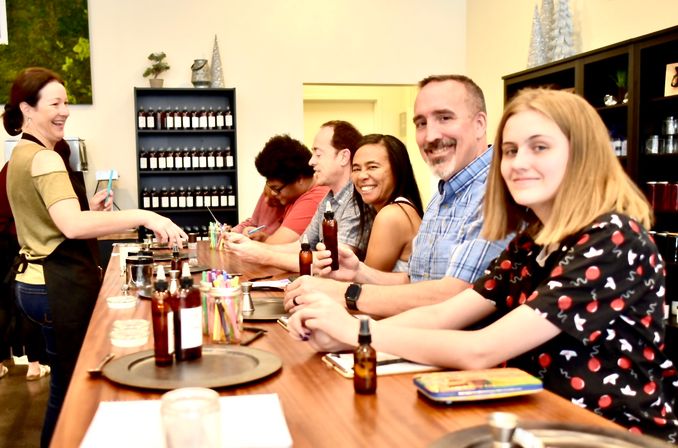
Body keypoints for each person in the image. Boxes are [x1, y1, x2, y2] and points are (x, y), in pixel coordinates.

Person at [286, 88, 678, 441]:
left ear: (583, 154)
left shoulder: (612, 238)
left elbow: (481, 349)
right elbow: (444, 314)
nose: (518, 163)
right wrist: (351, 335)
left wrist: (355, 332)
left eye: (539, 147)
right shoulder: (534, 240)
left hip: (608, 434)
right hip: (536, 422)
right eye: (509, 151)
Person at [2, 67, 187, 447]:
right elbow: (70, 226)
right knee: (72, 391)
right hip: (55, 284)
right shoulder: (46, 159)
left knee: (63, 386)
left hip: (32, 281)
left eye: (66, 102)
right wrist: (144, 215)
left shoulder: (19, 155)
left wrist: (92, 210)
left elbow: (49, 219)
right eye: (55, 103)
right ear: (27, 109)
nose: (65, 110)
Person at [284, 75, 509, 317]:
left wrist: (346, 294)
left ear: (480, 124)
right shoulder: (444, 193)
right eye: (421, 123)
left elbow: (455, 295)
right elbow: (415, 281)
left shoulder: (497, 190)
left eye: (445, 118)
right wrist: (359, 272)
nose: (430, 135)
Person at [224, 120, 370, 272]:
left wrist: (262, 254)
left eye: (318, 154)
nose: (311, 161)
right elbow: (301, 246)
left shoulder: (357, 202)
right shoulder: (329, 198)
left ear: (344, 157)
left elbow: (334, 264)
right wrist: (251, 247)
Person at [1, 160, 51, 382]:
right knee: (26, 302)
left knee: (2, 305)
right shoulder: (39, 166)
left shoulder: (10, 167)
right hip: (15, 243)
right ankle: (34, 365)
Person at [351, 134, 423, 272]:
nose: (362, 176)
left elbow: (365, 286)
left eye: (372, 167)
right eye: (356, 169)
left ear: (398, 169)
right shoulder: (402, 207)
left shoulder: (391, 215)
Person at [249, 134, 329, 244]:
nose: (273, 193)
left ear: (299, 179)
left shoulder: (315, 199)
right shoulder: (296, 195)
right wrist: (264, 238)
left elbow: (275, 247)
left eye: (277, 189)